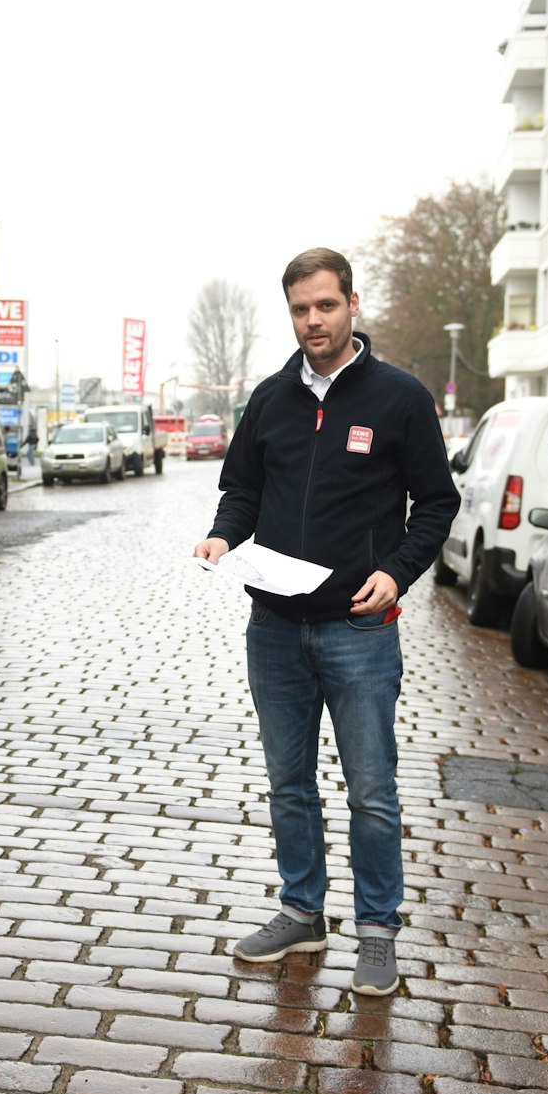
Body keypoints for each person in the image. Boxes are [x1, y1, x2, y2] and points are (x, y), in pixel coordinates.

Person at [193, 247, 459, 996]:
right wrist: (223, 535)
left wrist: (395, 572)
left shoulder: (400, 398)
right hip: (274, 627)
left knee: (372, 789)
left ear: (351, 304)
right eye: (301, 310)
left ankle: (377, 928)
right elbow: (241, 489)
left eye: (325, 306)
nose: (314, 321)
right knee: (289, 784)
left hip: (359, 629)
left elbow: (436, 503)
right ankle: (302, 910)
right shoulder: (270, 399)